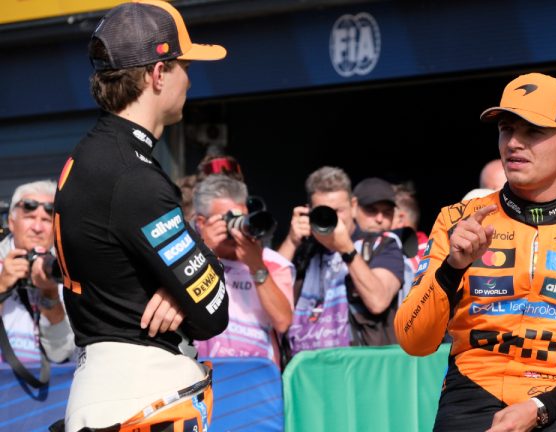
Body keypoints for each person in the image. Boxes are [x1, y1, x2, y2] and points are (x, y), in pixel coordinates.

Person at [395, 72, 556, 431]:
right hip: (471, 394)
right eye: (507, 129)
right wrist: (452, 268)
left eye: (534, 132)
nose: (514, 143)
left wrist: (540, 408)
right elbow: (412, 340)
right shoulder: (458, 219)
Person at [53, 1, 229, 430]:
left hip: (108, 389)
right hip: (140, 397)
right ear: (157, 74)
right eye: (183, 64)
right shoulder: (132, 175)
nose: (190, 77)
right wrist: (191, 284)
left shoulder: (93, 152)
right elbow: (212, 312)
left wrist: (180, 287)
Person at [278, 166, 404, 357]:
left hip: (357, 371)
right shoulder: (303, 250)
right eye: (324, 211)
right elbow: (268, 294)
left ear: (353, 206)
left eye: (338, 210)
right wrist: (291, 241)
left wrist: (346, 249)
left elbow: (378, 301)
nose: (333, 218)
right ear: (309, 211)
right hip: (304, 373)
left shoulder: (382, 245)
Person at [192, 175, 294, 366]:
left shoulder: (273, 263)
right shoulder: (187, 260)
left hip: (258, 380)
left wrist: (256, 266)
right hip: (204, 376)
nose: (235, 227)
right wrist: (203, 251)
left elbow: (283, 322)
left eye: (241, 218)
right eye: (227, 220)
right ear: (201, 222)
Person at [0, 181, 75, 375]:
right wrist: (1, 288)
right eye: (30, 217)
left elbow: (61, 354)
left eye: (46, 220)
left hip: (48, 398)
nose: (37, 227)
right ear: (11, 222)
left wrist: (50, 295)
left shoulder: (65, 271)